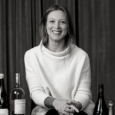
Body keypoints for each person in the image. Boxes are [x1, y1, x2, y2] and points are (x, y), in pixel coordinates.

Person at [24, 4, 95, 115]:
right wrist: (56, 103)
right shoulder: (31, 55)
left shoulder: (81, 56)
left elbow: (84, 92)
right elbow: (35, 92)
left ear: (68, 27)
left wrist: (71, 107)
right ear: (45, 25)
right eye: (52, 21)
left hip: (77, 109)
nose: (56, 26)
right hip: (47, 109)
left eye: (62, 22)